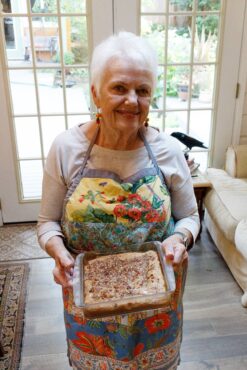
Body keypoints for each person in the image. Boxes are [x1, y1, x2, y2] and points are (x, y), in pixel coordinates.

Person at [37, 31, 199, 370]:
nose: (131, 101)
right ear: (96, 92)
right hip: (90, 306)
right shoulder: (66, 149)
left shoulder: (168, 151)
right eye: (119, 88)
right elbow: (46, 223)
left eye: (142, 91)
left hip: (157, 302)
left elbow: (189, 218)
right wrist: (60, 253)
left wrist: (179, 238)